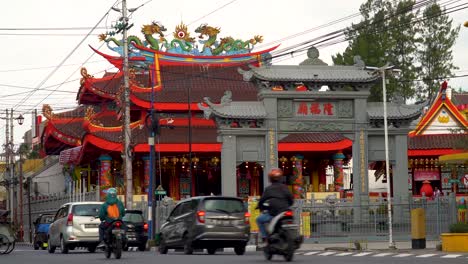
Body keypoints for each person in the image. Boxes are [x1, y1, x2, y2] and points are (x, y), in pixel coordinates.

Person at [256, 168, 294, 248]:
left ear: (270, 178)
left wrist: (259, 207)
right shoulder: (285, 187)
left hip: (274, 213)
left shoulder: (268, 189)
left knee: (259, 219)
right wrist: (289, 204)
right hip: (286, 211)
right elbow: (291, 198)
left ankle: (265, 238)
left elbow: (262, 200)